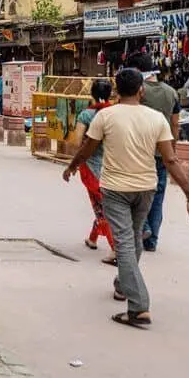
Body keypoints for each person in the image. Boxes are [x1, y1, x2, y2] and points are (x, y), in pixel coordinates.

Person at [64, 68, 189, 328]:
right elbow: (170, 159)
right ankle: (123, 285)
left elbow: (86, 149)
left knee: (125, 242)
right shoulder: (157, 119)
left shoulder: (106, 117)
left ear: (116, 90)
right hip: (146, 188)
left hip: (115, 189)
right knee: (132, 238)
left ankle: (138, 306)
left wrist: (72, 166)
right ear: (141, 90)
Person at [125, 52, 179, 253]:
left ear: (137, 71)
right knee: (158, 196)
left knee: (136, 193)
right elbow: (175, 124)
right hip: (162, 151)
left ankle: (144, 228)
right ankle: (152, 240)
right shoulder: (171, 92)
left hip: (139, 151)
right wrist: (171, 152)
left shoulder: (138, 92)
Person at [72, 79, 117, 266]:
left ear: (91, 93)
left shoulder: (86, 115)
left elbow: (77, 142)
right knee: (101, 204)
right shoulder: (116, 113)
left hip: (92, 167)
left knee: (101, 208)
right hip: (116, 166)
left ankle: (116, 249)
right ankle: (92, 238)